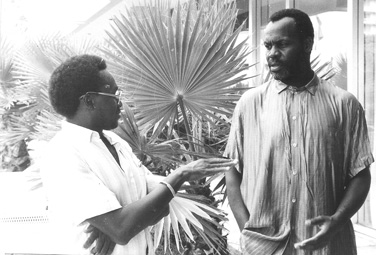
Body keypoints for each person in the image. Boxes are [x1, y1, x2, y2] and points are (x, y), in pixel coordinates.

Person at [40, 54, 237, 255]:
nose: (120, 103)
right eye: (115, 94)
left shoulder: (117, 143)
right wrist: (181, 175)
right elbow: (122, 229)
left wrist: (119, 223)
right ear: (89, 101)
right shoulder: (63, 153)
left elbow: (160, 206)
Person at [224, 8, 374, 255]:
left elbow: (360, 174)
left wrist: (336, 222)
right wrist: (246, 231)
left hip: (327, 246)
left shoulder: (344, 104)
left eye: (282, 44)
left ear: (307, 44)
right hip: (264, 246)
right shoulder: (250, 104)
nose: (272, 54)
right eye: (268, 46)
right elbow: (232, 172)